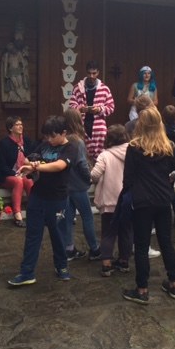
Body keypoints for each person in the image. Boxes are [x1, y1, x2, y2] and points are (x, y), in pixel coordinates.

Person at [121, 107, 175, 304]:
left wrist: (131, 193)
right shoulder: (168, 147)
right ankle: (173, 283)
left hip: (142, 201)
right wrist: (169, 179)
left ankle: (142, 289)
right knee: (166, 241)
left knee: (142, 245)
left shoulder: (134, 148)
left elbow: (127, 179)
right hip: (163, 199)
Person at [7, 115, 76, 286]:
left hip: (57, 199)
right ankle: (27, 272)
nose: (49, 140)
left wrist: (36, 166)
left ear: (63, 133)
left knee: (58, 235)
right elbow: (28, 158)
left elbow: (59, 165)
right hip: (37, 196)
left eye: (53, 136)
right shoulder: (44, 145)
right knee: (32, 235)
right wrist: (31, 164)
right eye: (47, 136)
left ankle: (62, 266)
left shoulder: (70, 148)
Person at [90, 125, 132, 277]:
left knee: (108, 232)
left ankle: (106, 263)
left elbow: (94, 175)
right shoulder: (133, 152)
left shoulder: (105, 155)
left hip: (109, 200)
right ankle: (124, 261)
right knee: (126, 231)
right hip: (127, 199)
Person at [59, 108, 101, 261]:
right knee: (87, 217)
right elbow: (82, 164)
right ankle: (94, 249)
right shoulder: (77, 141)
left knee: (68, 218)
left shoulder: (62, 140)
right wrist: (89, 178)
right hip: (78, 186)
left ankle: (68, 248)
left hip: (66, 185)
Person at [0, 117, 36, 227]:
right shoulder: (4, 143)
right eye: (17, 124)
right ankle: (17, 214)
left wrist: (28, 164)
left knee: (29, 181)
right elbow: (2, 166)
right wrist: (15, 174)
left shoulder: (26, 140)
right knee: (18, 181)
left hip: (23, 172)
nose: (20, 126)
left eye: (21, 124)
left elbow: (33, 155)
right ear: (10, 128)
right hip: (7, 174)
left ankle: (35, 210)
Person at [69, 60, 115, 160]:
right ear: (86, 72)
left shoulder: (104, 89)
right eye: (89, 73)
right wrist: (80, 109)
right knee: (82, 155)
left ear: (98, 73)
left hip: (99, 128)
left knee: (100, 157)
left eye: (94, 73)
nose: (91, 76)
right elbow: (71, 105)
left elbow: (111, 107)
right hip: (81, 126)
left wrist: (99, 109)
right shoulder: (77, 88)